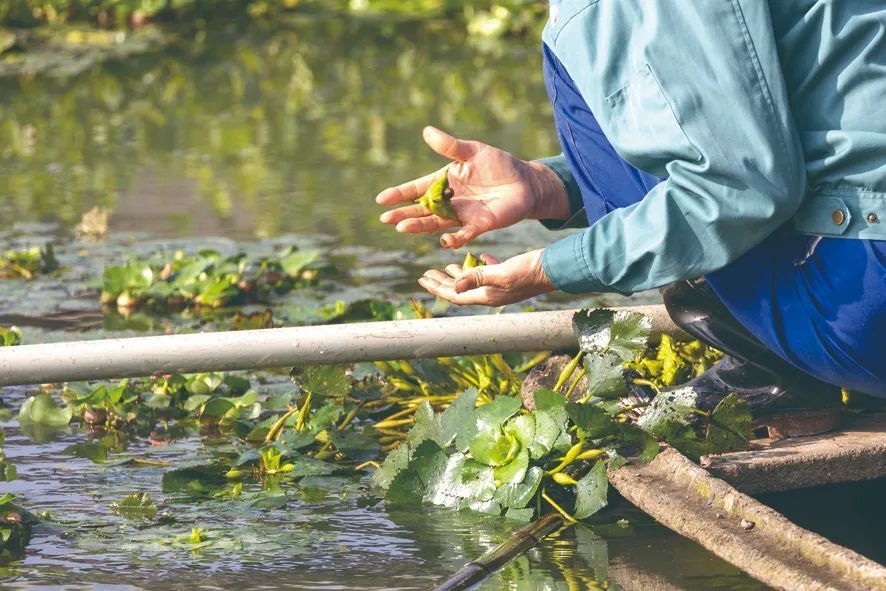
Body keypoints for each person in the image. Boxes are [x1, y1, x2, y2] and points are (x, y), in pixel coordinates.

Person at [376, 2, 886, 433]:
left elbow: (736, 185)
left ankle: (773, 370)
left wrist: (551, 269)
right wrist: (548, 186)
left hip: (861, 313)